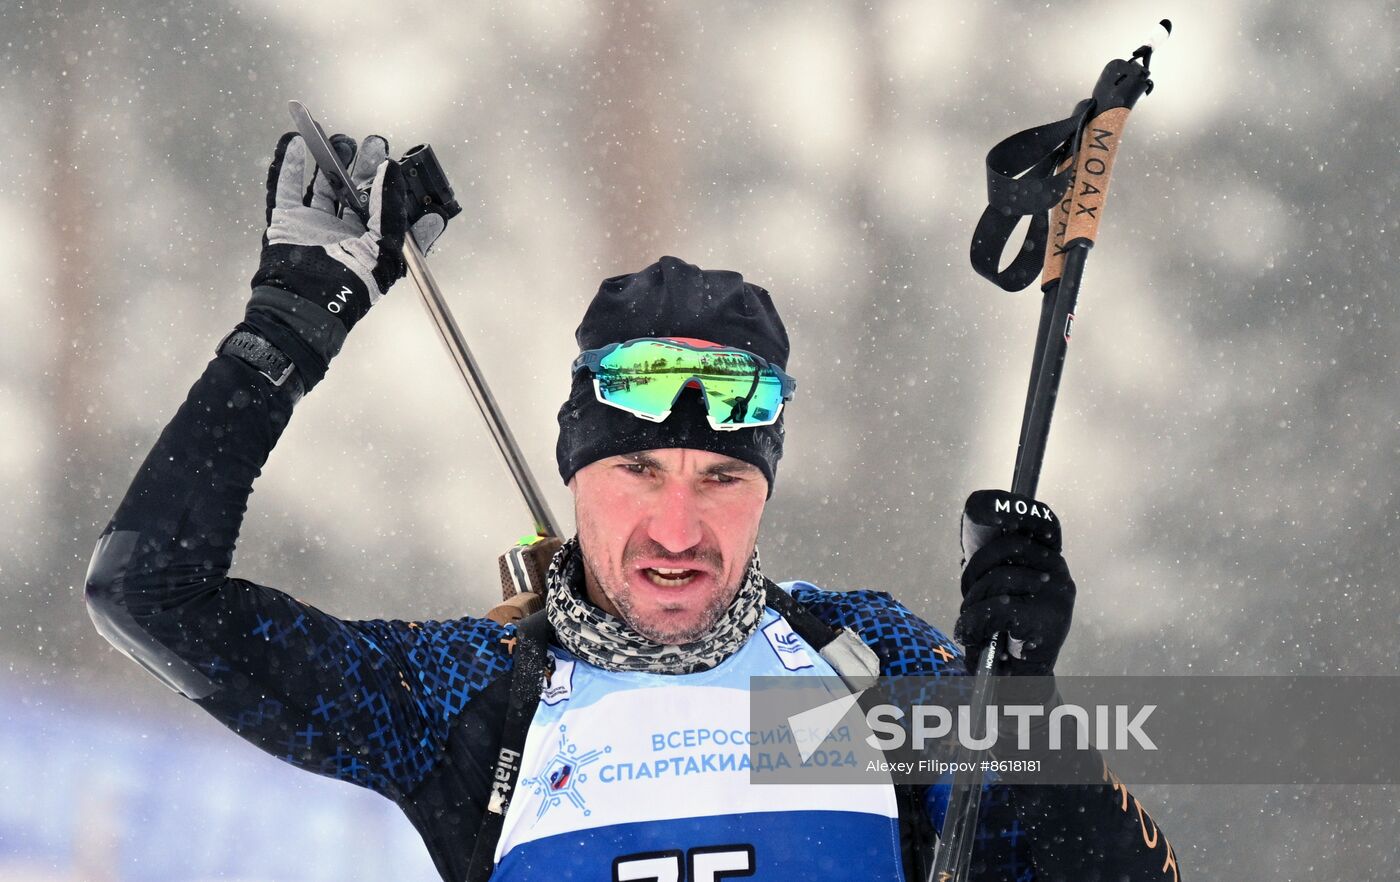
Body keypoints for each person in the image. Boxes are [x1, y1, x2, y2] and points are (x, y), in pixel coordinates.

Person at [85, 131, 1180, 881]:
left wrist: (1019, 710)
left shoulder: (857, 664)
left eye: (721, 479)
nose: (675, 530)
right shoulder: (472, 700)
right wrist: (291, 318)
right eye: (636, 473)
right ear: (572, 472)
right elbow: (149, 592)